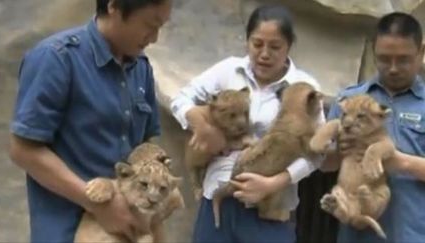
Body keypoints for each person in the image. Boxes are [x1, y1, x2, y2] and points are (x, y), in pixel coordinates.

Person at [8, 0, 171, 242]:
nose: (154, 38)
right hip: (68, 229)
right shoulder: (56, 58)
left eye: (161, 27)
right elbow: (23, 150)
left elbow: (145, 145)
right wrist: (97, 204)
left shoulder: (141, 68)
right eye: (150, 25)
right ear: (114, 6)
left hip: (130, 228)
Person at [170, 5, 324, 243]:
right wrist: (204, 128)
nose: (264, 54)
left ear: (289, 46)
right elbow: (180, 100)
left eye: (275, 47)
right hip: (217, 203)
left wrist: (273, 183)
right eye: (257, 44)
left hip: (270, 210)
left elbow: (317, 153)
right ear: (247, 42)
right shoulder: (228, 70)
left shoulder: (304, 88)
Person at [325, 12, 425, 243]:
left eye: (403, 59)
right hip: (355, 232)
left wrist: (399, 162)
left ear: (421, 52)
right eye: (384, 58)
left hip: (412, 232)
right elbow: (322, 165)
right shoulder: (349, 99)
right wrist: (339, 151)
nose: (392, 68)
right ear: (373, 51)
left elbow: (395, 161)